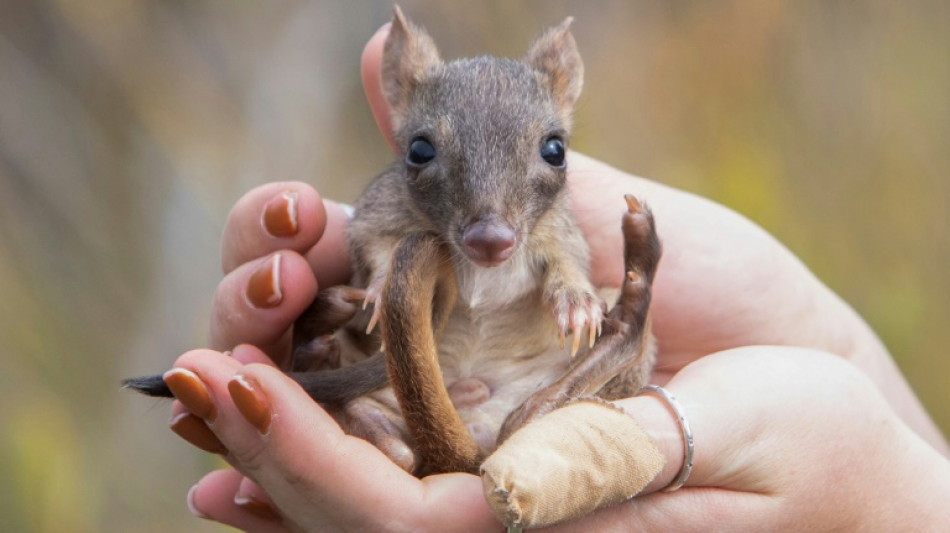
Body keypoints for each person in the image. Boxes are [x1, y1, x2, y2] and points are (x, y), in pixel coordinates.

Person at [162, 24, 950, 532]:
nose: (492, 222)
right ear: (401, 93)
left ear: (562, 93)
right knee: (328, 350)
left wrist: (571, 288)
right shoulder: (398, 208)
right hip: (420, 396)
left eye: (547, 156)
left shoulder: (552, 222)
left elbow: (566, 253)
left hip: (532, 388)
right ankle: (377, 419)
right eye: (427, 156)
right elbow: (371, 232)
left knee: (616, 316)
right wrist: (377, 281)